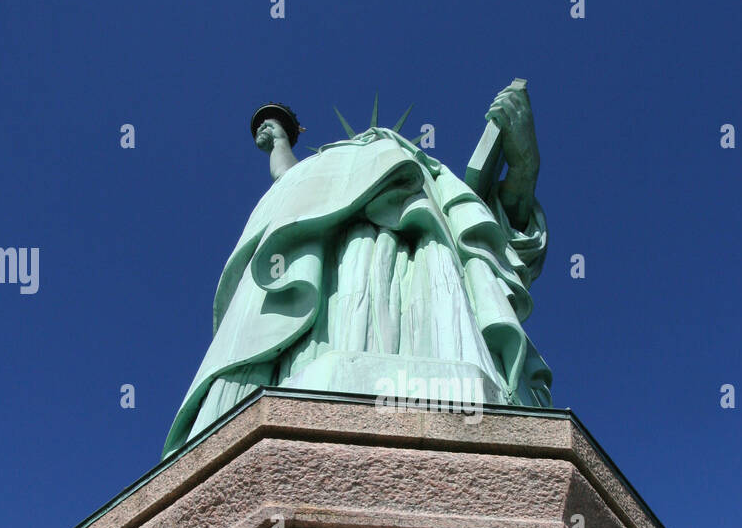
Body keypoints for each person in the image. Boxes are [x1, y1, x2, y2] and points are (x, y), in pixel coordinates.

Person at [161, 84, 552, 457]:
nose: (368, 148)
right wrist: (280, 142)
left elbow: (493, 229)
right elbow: (293, 181)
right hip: (335, 291)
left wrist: (524, 165)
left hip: (422, 267)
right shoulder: (326, 174)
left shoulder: (426, 181)